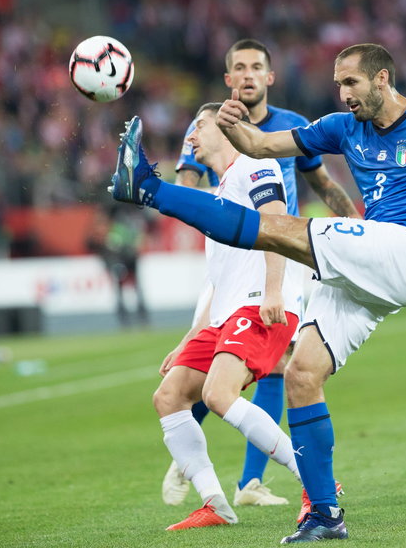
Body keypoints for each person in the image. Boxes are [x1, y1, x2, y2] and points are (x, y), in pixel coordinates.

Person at [109, 43, 406, 543]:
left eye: (351, 83)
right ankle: (324, 513)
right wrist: (231, 124)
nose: (342, 93)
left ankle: (147, 189)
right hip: (371, 269)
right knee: (301, 374)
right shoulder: (341, 127)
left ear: (382, 79)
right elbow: (261, 145)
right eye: (338, 83)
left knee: (279, 227)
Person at [163, 38, 360, 508]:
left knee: (252, 375)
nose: (248, 75)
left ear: (269, 77)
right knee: (200, 383)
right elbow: (184, 194)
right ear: (229, 80)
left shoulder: (286, 132)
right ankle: (195, 450)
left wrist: (356, 226)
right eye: (239, 68)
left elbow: (321, 182)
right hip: (230, 255)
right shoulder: (209, 130)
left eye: (257, 67)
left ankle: (256, 481)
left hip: (273, 263)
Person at [152, 102, 307, 530]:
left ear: (226, 127)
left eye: (198, 126)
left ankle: (314, 482)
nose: (191, 137)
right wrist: (190, 336)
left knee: (219, 395)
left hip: (260, 304)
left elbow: (276, 224)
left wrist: (273, 290)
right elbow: (217, 280)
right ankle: (215, 503)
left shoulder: (255, 167)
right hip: (226, 312)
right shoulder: (216, 195)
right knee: (169, 396)